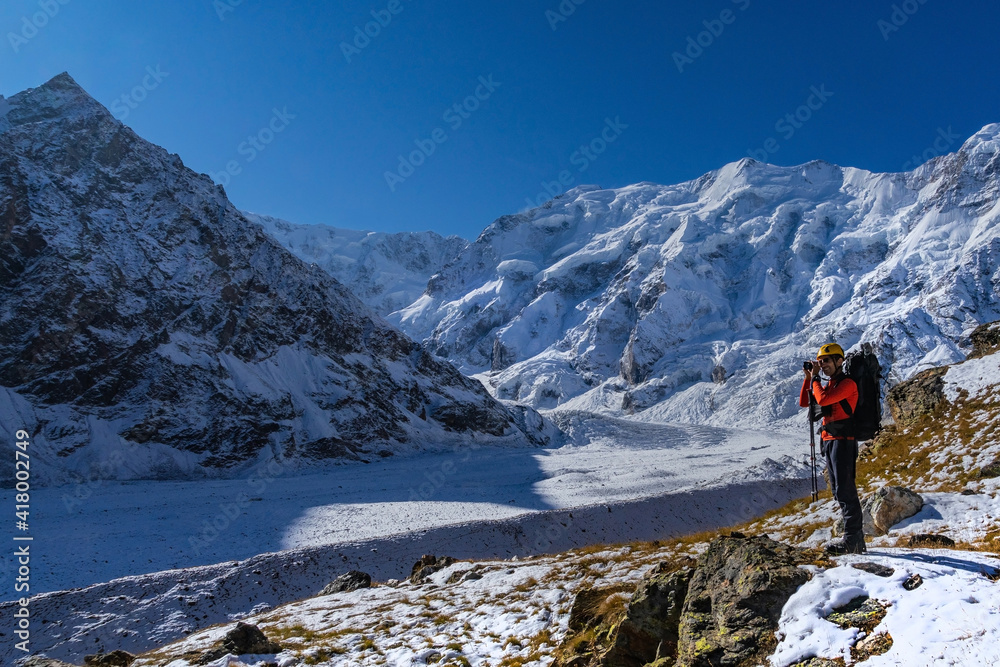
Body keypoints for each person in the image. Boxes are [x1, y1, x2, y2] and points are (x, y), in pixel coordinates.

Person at [800, 343, 865, 554]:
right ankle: (853, 539)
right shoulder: (830, 385)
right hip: (829, 440)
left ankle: (853, 540)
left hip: (843, 441)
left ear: (840, 361)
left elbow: (824, 399)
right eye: (820, 361)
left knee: (846, 490)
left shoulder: (848, 384)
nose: (822, 364)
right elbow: (805, 402)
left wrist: (816, 378)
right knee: (838, 491)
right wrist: (809, 379)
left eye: (827, 360)